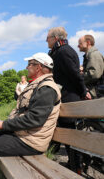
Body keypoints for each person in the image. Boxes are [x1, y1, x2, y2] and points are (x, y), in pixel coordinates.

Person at [47, 27, 91, 172]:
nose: (46, 40)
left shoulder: (64, 52)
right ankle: (72, 164)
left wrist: (84, 91)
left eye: (48, 38)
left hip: (69, 97)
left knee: (69, 133)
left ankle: (76, 167)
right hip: (63, 97)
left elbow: (74, 74)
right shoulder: (57, 52)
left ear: (55, 38)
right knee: (62, 132)